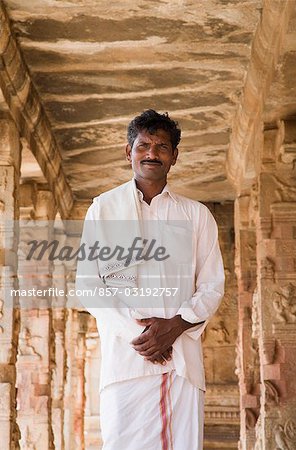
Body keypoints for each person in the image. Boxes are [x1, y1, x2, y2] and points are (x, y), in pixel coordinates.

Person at [75, 109, 225, 450]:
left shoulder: (196, 215)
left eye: (162, 146)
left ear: (174, 156)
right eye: (144, 145)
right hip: (125, 363)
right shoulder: (104, 209)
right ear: (129, 153)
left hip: (182, 363)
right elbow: (89, 285)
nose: (152, 153)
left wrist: (175, 325)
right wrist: (143, 336)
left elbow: (212, 284)